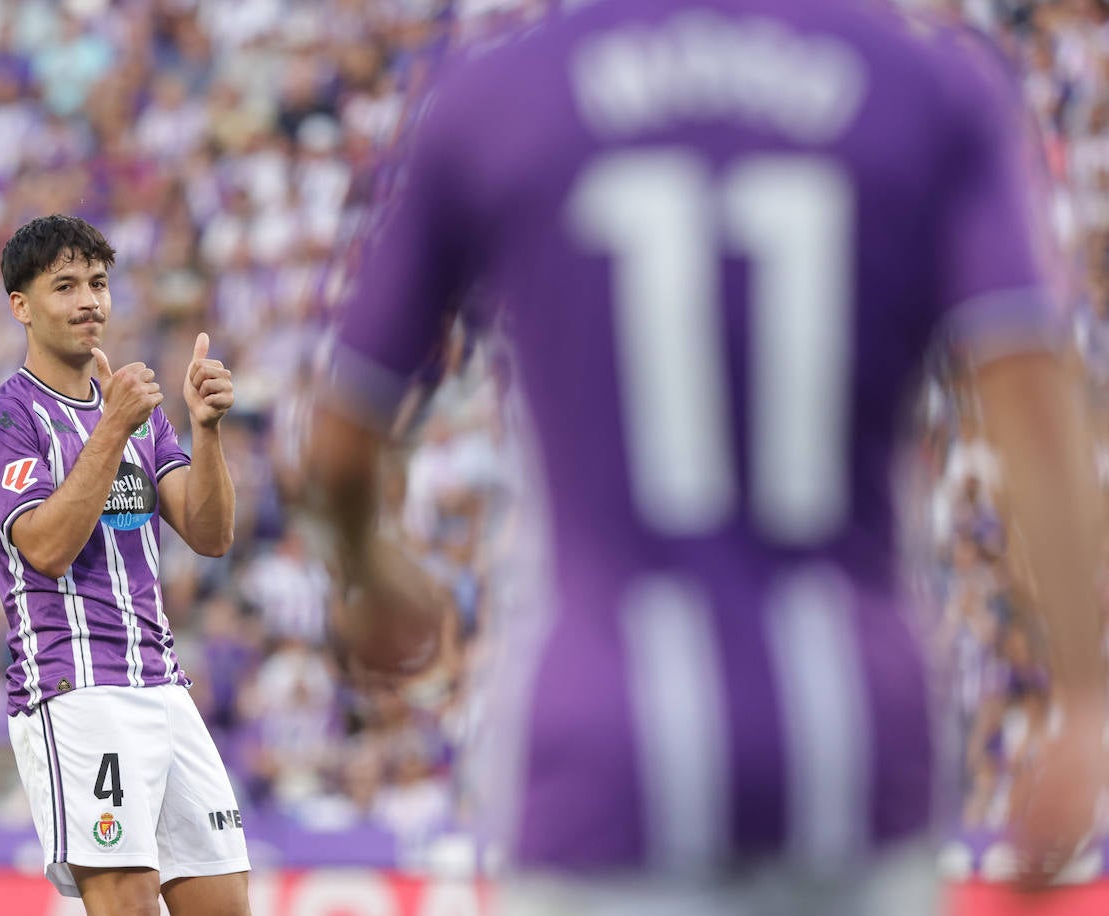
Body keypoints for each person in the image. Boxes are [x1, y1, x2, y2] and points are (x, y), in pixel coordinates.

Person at [306, 2, 1107, 913]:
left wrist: (368, 568)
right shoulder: (929, 86)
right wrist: (1082, 693)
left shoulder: (500, 94)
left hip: (602, 749)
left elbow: (341, 440)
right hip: (852, 748)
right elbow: (1036, 402)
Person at [0, 215, 251, 916]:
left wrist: (206, 432)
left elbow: (210, 534)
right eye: (65, 286)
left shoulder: (140, 412)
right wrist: (113, 425)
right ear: (20, 306)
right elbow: (46, 546)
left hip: (164, 685)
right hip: (77, 692)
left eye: (97, 282)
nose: (89, 300)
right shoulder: (0, 422)